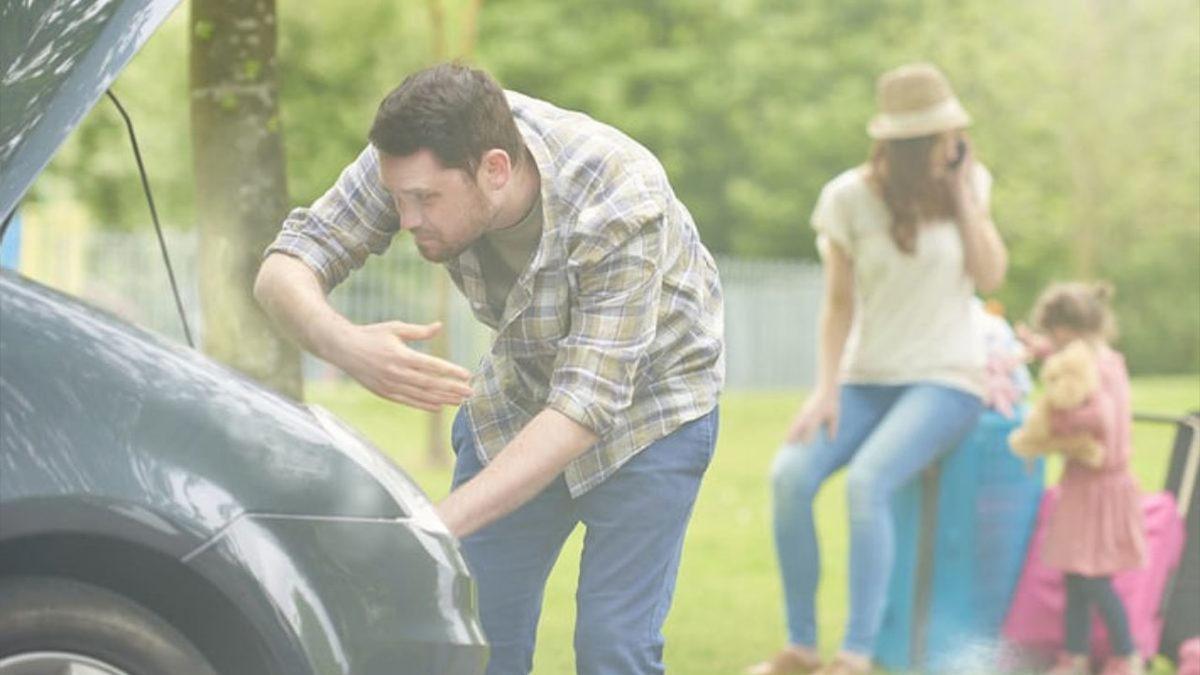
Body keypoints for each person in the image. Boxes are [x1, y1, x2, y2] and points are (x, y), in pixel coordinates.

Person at [253, 63, 724, 674]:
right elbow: (282, 268)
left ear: (495, 170)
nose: (408, 217)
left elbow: (585, 407)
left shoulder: (618, 199)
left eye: (424, 200)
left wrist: (426, 529)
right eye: (399, 199)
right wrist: (347, 346)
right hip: (523, 394)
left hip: (653, 412)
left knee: (613, 647)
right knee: (471, 638)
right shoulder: (420, 159)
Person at [748, 63, 1007, 675]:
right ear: (914, 143)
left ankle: (855, 655)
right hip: (866, 378)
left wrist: (967, 194)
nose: (953, 143)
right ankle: (801, 647)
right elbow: (838, 305)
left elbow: (991, 276)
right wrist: (825, 389)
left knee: (868, 482)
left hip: (947, 378)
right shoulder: (847, 199)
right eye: (943, 134)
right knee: (789, 476)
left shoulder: (970, 188)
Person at [1021, 282, 1145, 675]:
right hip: (1084, 485)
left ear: (1067, 329)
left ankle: (1127, 654)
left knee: (1093, 579)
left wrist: (1057, 420)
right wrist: (1035, 348)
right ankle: (1073, 655)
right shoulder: (1102, 359)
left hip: (1100, 487)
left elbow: (1100, 418)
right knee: (1075, 577)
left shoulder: (1098, 369)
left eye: (1052, 333)